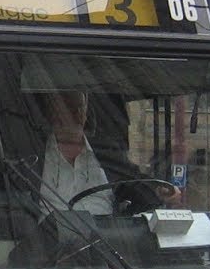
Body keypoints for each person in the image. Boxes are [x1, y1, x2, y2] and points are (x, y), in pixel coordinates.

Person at [35, 91, 176, 216]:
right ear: (52, 113)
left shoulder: (106, 150)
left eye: (80, 108)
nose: (77, 115)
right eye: (69, 109)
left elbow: (132, 181)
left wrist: (157, 191)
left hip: (106, 239)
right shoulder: (34, 152)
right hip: (48, 240)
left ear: (85, 113)